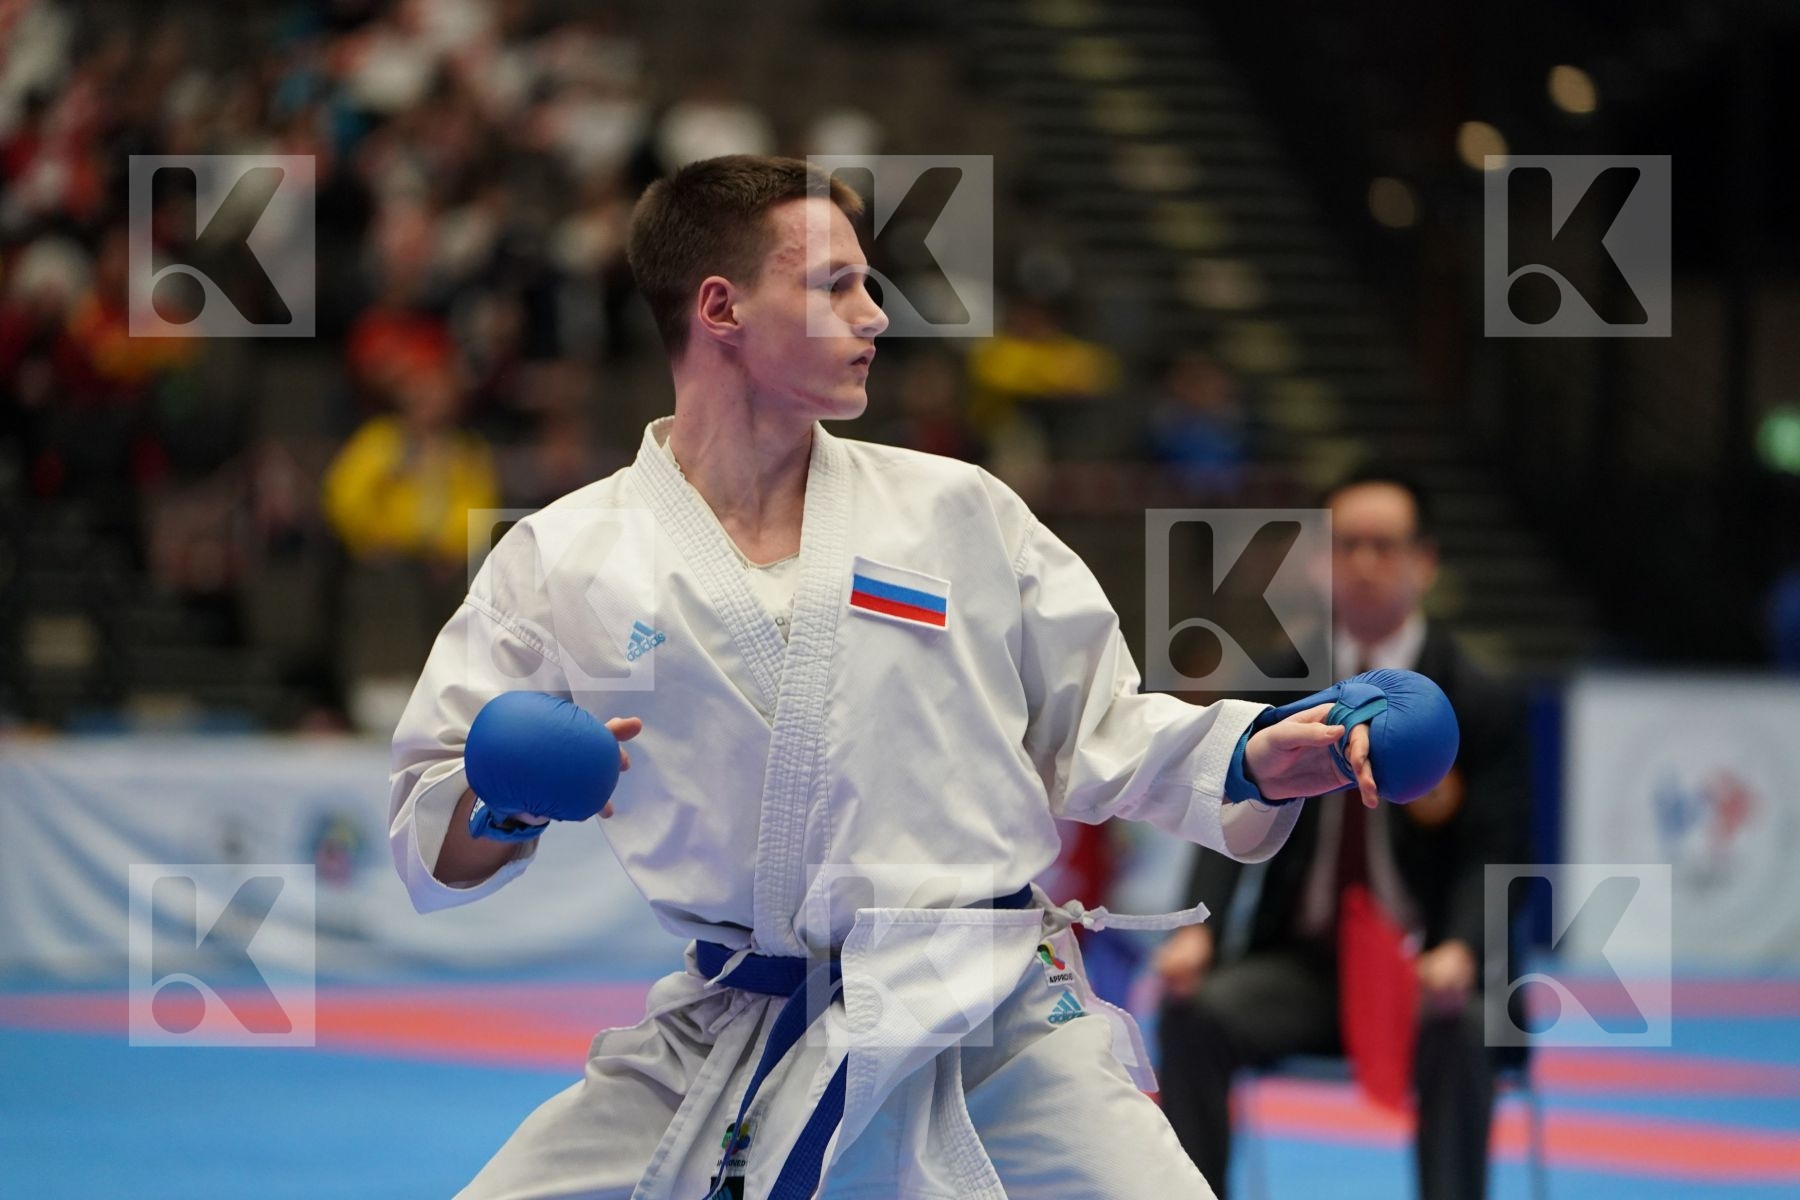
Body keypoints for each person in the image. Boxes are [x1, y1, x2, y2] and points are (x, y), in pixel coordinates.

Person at [388, 155, 1420, 1200]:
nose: (874, 315)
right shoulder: (566, 558)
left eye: (869, 284)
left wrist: (1250, 754)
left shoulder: (956, 512)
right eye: (835, 284)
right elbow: (433, 835)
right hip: (733, 1032)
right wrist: (506, 801)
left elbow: (1097, 726)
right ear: (722, 306)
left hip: (999, 1025)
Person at [1154, 470, 1530, 1200]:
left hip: (1425, 975)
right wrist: (1195, 927)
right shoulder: (1278, 676)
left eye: (1384, 546)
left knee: (1469, 1028)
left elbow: (1502, 845)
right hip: (1306, 970)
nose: (1363, 563)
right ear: (1320, 561)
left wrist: (1460, 949)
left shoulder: (1479, 694)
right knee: (1191, 1013)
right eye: (1346, 545)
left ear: (1424, 562)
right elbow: (1225, 808)